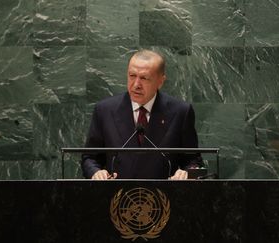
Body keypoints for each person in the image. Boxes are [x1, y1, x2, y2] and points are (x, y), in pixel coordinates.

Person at [81, 49, 203, 180]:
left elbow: (193, 161)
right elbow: (90, 158)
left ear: (160, 81)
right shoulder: (105, 110)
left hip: (162, 196)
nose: (136, 84)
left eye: (144, 78)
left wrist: (187, 173)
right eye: (132, 76)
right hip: (118, 196)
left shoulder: (180, 112)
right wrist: (96, 172)